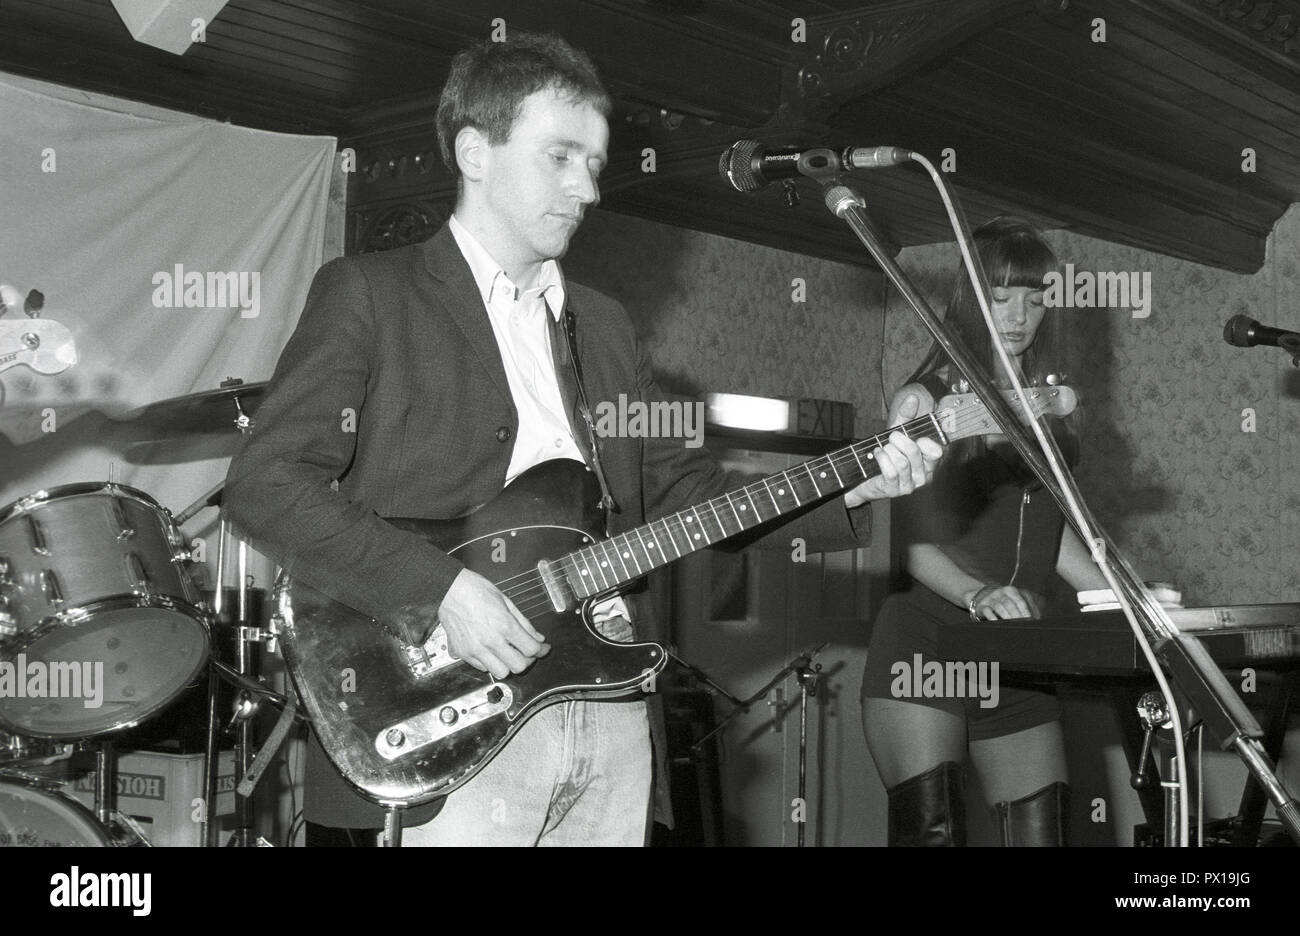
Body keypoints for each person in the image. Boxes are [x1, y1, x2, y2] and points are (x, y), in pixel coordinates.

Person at [223, 32, 942, 846]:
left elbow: (694, 503)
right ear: (475, 152)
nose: (587, 188)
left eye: (596, 164)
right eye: (561, 157)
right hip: (447, 718)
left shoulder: (602, 328)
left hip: (605, 703)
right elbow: (266, 483)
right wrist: (445, 591)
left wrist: (855, 485)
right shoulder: (371, 294)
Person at [860, 217, 1109, 847]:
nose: (1020, 315)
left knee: (1042, 835)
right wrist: (976, 594)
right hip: (926, 648)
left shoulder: (1043, 402)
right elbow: (903, 534)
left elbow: (1047, 534)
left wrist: (1123, 595)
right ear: (972, 300)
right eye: (1001, 298)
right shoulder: (926, 397)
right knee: (933, 833)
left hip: (1018, 657)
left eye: (1034, 298)